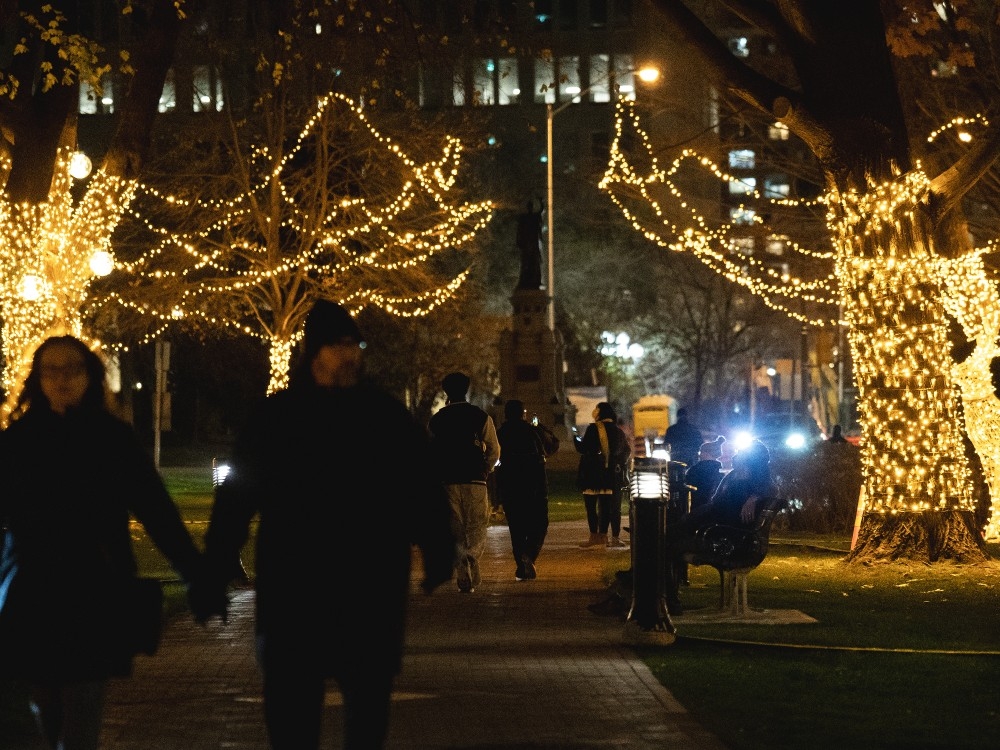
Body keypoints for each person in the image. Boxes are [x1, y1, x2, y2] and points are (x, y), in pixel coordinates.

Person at [194, 300, 455, 750]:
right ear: (315, 351)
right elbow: (236, 502)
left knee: (368, 711)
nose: (350, 354)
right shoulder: (277, 418)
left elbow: (421, 487)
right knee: (292, 711)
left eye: (355, 344)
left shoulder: (383, 416)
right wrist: (215, 572)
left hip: (368, 583)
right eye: (339, 345)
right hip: (296, 584)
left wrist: (437, 548)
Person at [0, 335, 204, 750]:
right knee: (43, 709)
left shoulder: (112, 440)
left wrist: (194, 570)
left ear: (89, 376)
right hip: (34, 592)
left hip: (93, 589)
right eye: (51, 370)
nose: (61, 379)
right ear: (37, 378)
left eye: (72, 369)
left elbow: (156, 510)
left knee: (83, 707)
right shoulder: (17, 442)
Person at [666, 440, 776, 613]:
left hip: (728, 542)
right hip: (719, 534)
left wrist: (754, 497)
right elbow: (713, 507)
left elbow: (716, 507)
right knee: (667, 538)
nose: (735, 455)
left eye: (741, 453)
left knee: (669, 545)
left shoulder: (749, 486)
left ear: (749, 461)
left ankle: (669, 600)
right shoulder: (735, 478)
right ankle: (664, 597)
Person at [428, 371, 501, 593]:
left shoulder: (437, 420)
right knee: (477, 524)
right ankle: (471, 556)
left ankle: (461, 562)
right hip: (475, 478)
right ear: (467, 389)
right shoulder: (480, 417)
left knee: (455, 526)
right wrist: (486, 468)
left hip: (447, 480)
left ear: (446, 391)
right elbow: (494, 449)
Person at [495, 400, 554, 581]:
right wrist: (540, 426)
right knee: (539, 523)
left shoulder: (501, 433)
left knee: (517, 527)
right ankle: (529, 555)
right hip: (534, 484)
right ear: (523, 413)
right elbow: (552, 446)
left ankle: (521, 566)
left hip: (510, 486)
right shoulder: (532, 431)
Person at [575, 402, 632, 548]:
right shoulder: (618, 432)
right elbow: (626, 451)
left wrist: (576, 439)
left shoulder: (594, 429)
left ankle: (594, 536)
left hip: (592, 475)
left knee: (591, 506)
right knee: (607, 507)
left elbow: (584, 448)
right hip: (610, 476)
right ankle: (606, 536)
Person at [685, 436, 727, 512]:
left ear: (706, 453)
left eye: (701, 452)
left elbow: (687, 484)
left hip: (696, 506)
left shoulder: (696, 469)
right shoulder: (719, 470)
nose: (699, 455)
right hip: (712, 507)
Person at [515, 198, 544, 289]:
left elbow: (541, 211)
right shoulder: (524, 218)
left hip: (532, 243)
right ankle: (527, 280)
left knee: (533, 261)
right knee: (527, 262)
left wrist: (541, 202)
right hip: (527, 243)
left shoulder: (532, 217)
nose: (530, 208)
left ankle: (534, 280)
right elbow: (520, 230)